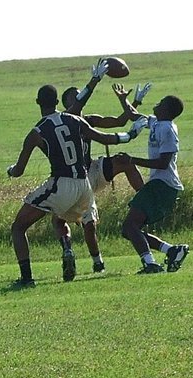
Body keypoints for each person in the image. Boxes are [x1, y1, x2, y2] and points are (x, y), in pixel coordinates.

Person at [7, 78, 147, 287]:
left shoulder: (36, 132)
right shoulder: (75, 120)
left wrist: (10, 170)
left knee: (18, 227)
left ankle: (27, 278)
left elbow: (19, 171)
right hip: (84, 185)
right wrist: (132, 134)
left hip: (61, 183)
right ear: (57, 102)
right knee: (63, 219)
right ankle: (80, 254)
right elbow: (105, 138)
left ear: (38, 102)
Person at [59, 81, 153, 273]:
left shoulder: (88, 119)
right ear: (66, 103)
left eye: (80, 94)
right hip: (72, 178)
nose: (80, 98)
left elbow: (120, 121)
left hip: (91, 171)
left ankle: (145, 200)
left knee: (125, 162)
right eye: (75, 96)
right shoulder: (62, 122)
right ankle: (91, 259)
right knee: (82, 223)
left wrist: (133, 101)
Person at [114, 95, 190, 274]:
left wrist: (131, 160)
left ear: (167, 110)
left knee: (130, 226)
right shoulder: (157, 122)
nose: (157, 103)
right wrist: (123, 99)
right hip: (158, 185)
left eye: (161, 103)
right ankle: (172, 251)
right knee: (128, 230)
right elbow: (134, 116)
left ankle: (150, 264)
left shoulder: (168, 130)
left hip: (163, 186)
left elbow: (163, 163)